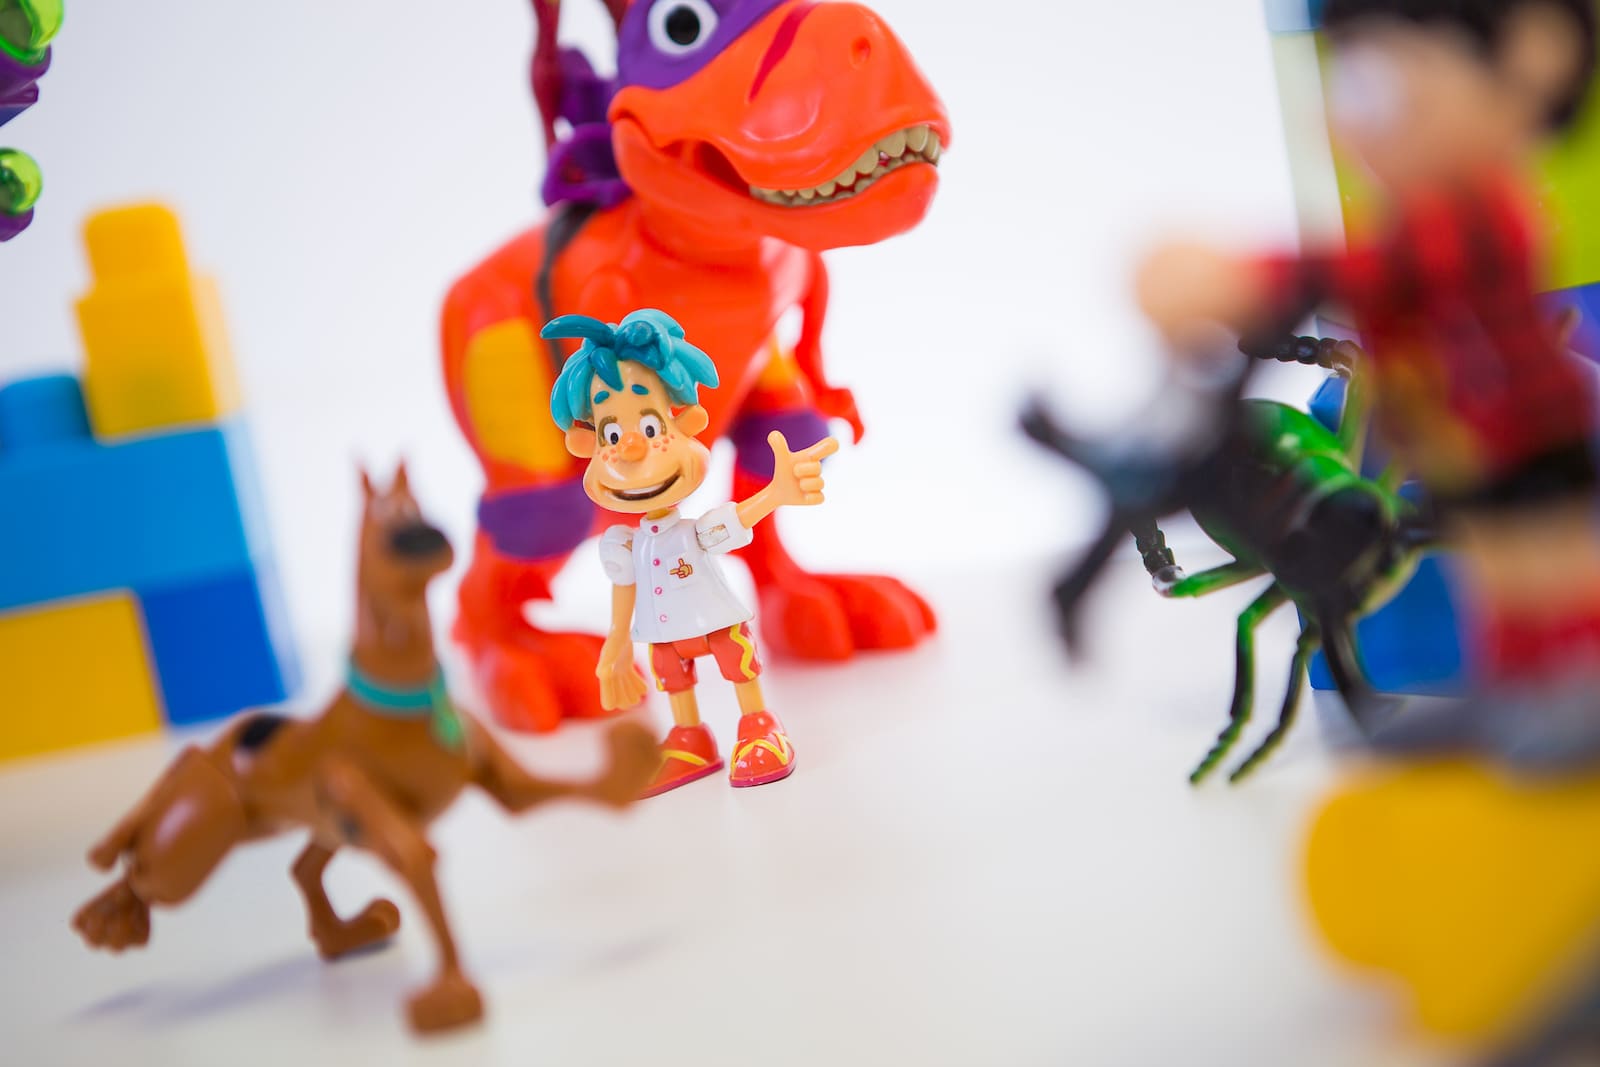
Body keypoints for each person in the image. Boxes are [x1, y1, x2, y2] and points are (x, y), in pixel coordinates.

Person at [1137, 0, 1600, 693]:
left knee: (1544, 564)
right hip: (1459, 432)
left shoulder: (1475, 221)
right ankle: (1521, 689)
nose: (1350, 118)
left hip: (1515, 427)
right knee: (1502, 571)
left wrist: (1242, 279)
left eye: (1379, 84)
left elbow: (1375, 270)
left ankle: (1562, 689)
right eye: (1348, 82)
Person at [547, 308, 838, 796]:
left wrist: (775, 491)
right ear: (586, 444)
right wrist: (616, 644)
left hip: (716, 622)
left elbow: (734, 520)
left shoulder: (693, 531)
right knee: (672, 679)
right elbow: (624, 585)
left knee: (736, 665)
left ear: (687, 423)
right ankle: (690, 738)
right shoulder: (625, 543)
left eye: (651, 426)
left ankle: (759, 724)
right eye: (610, 436)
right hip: (663, 633)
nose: (632, 450)